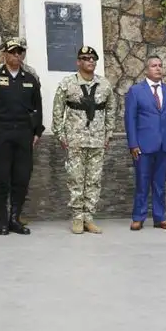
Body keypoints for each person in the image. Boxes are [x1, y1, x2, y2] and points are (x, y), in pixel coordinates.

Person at [0, 36, 44, 236]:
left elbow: (37, 108)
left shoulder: (30, 79)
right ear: (4, 54)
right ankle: (3, 220)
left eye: (19, 52)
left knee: (21, 178)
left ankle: (15, 218)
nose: (16, 55)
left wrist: (37, 131)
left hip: (23, 134)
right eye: (12, 52)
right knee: (1, 178)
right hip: (1, 132)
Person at [52, 45, 116, 234]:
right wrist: (60, 134)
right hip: (75, 140)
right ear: (78, 62)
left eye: (93, 59)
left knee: (94, 180)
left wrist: (108, 133)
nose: (90, 62)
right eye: (86, 59)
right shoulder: (67, 83)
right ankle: (77, 218)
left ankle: (89, 217)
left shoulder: (104, 85)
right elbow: (58, 110)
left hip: (97, 140)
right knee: (76, 179)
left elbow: (111, 109)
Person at [125, 54, 166, 230]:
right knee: (142, 182)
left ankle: (160, 217)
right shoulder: (136, 91)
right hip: (143, 145)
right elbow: (130, 119)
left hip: (165, 145)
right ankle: (138, 217)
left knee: (160, 184)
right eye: (154, 65)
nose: (158, 68)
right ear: (146, 69)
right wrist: (133, 144)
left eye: (160, 65)